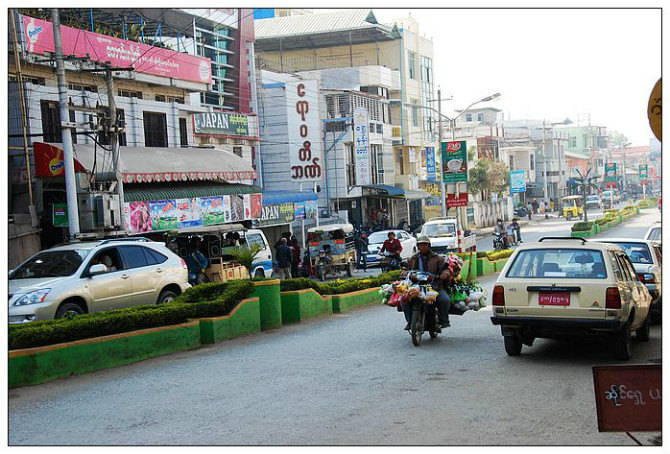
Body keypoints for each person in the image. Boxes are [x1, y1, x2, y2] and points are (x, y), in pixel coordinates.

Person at [401, 235, 452, 330]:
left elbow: (446, 270)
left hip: (434, 286)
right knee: (404, 300)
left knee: (445, 300)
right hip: (416, 286)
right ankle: (409, 321)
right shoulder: (413, 258)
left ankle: (444, 320)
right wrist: (406, 274)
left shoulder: (437, 258)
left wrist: (442, 275)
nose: (423, 247)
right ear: (418, 246)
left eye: (425, 244)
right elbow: (405, 269)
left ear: (429, 246)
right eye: (421, 245)